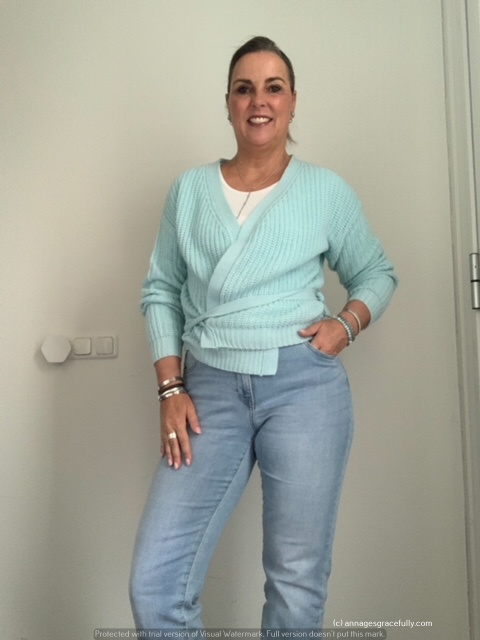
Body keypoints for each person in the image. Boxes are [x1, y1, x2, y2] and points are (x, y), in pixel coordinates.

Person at [129, 36, 397, 632]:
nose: (259, 101)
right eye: (244, 88)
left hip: (304, 388)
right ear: (227, 102)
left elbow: (377, 273)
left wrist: (345, 325)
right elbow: (160, 291)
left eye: (273, 88)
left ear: (293, 101)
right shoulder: (189, 190)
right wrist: (171, 389)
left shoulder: (325, 190)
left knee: (296, 580)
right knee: (155, 581)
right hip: (207, 391)